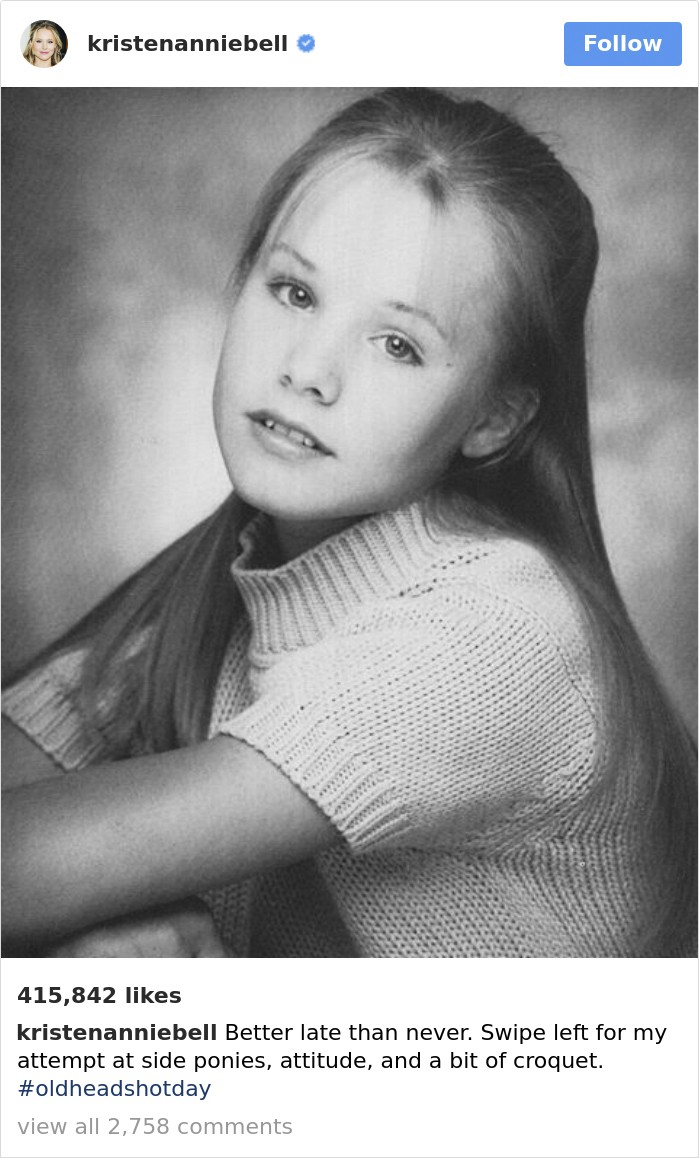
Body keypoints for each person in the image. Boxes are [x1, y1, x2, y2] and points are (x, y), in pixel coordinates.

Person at [2, 88, 696, 958]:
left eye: (398, 345)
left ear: (495, 418)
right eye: (294, 292)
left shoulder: (495, 632)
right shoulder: (231, 584)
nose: (309, 371)